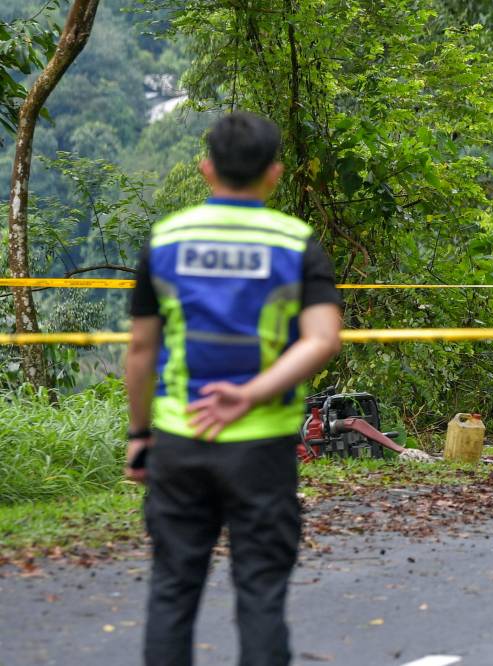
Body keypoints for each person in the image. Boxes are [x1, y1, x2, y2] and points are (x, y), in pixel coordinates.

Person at [124, 111, 344, 666]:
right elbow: (322, 339)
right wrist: (250, 395)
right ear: (274, 173)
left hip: (180, 439)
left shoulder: (166, 239)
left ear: (206, 169)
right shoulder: (295, 243)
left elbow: (142, 350)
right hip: (262, 447)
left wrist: (139, 436)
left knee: (173, 588)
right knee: (261, 591)